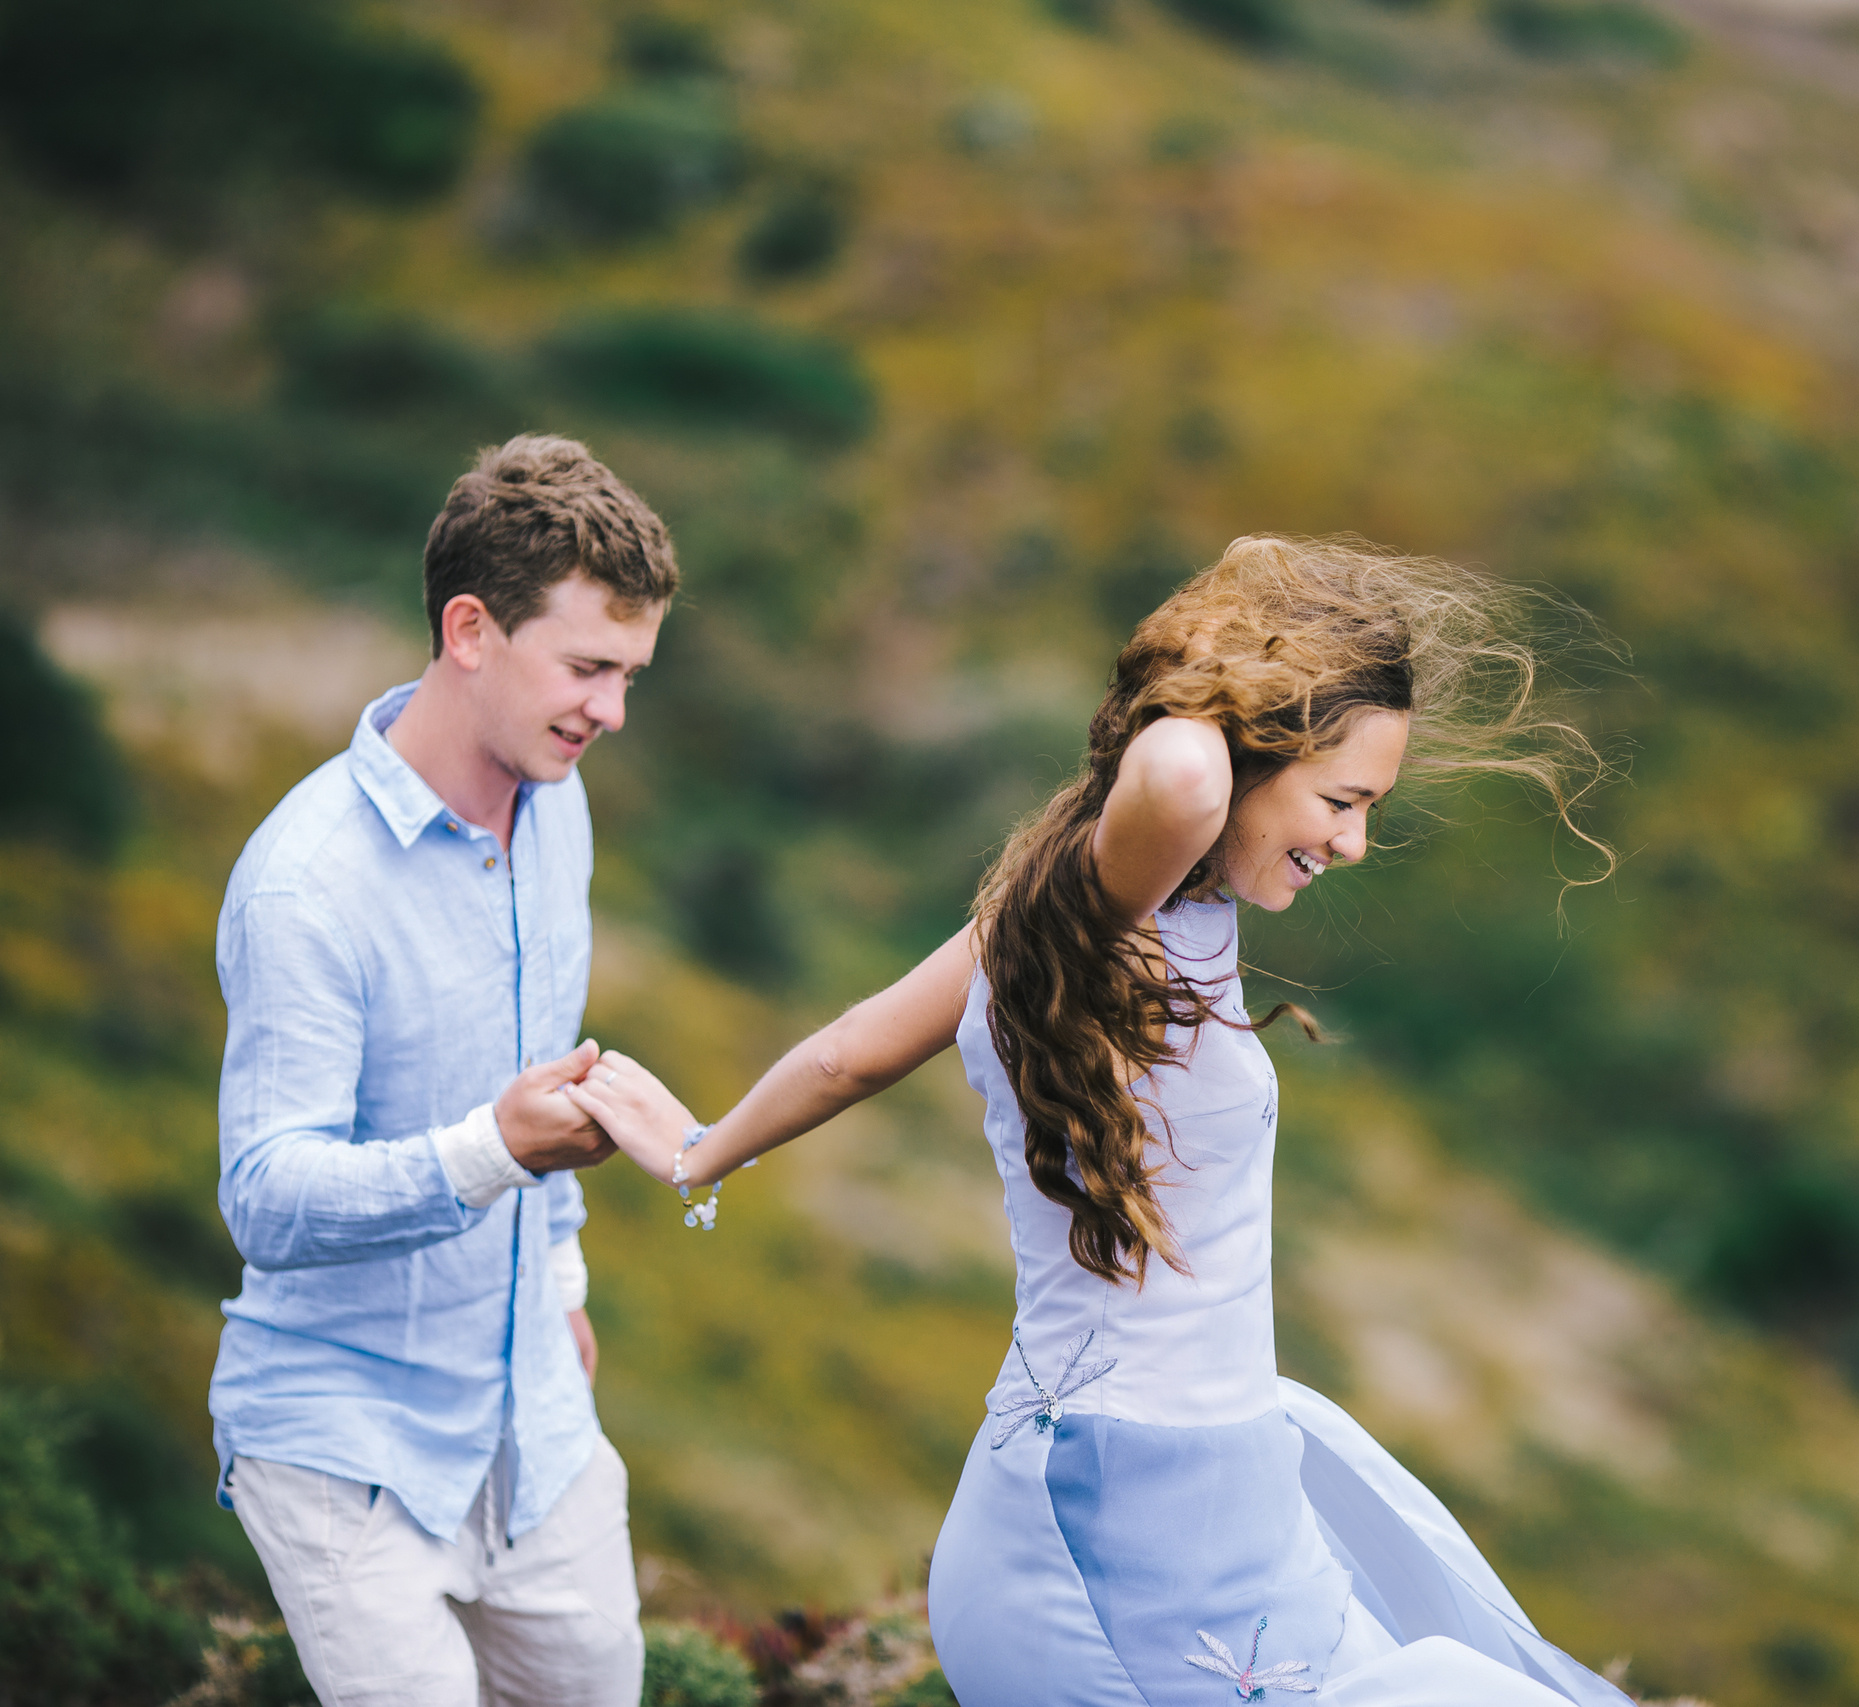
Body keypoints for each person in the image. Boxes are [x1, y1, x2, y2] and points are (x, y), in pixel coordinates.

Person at [569, 536, 1630, 1704]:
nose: (1353, 842)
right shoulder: (1094, 913)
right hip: (1119, 1519)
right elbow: (1177, 776)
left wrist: (699, 1150)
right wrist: (1226, 641)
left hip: (1216, 1492)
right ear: (1246, 748)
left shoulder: (1116, 913)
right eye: (1340, 800)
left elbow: (848, 1051)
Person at [210, 435, 675, 1707]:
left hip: (535, 1419)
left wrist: (562, 1275)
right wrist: (493, 1153)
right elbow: (262, 1196)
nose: (612, 713)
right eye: (587, 668)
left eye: (630, 674)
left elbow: (541, 1064)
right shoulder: (307, 885)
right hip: (341, 1446)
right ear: (470, 630)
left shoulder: (558, 801)